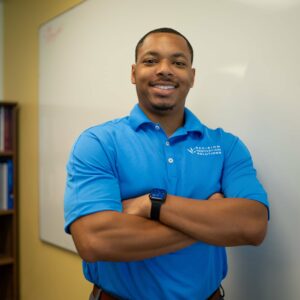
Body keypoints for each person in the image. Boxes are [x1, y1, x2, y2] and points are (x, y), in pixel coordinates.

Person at [64, 28, 269, 300]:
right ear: (134, 73)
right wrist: (212, 221)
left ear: (192, 77)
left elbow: (253, 226)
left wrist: (154, 203)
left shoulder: (226, 146)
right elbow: (94, 240)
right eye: (151, 61)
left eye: (178, 62)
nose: (165, 70)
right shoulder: (99, 142)